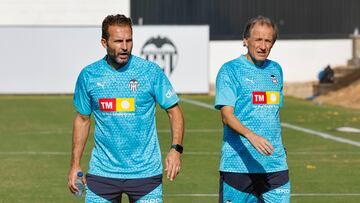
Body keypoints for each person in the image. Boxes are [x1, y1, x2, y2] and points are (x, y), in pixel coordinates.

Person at [67, 14, 185, 203]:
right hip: (102, 172)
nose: (125, 46)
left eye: (129, 40)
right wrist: (75, 166)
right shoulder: (89, 75)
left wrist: (175, 149)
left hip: (146, 173)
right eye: (118, 41)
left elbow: (174, 111)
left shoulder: (150, 72)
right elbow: (82, 119)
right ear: (104, 42)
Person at [214, 16, 290, 203]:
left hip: (274, 166)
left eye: (268, 41)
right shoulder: (230, 70)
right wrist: (251, 135)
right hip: (238, 166)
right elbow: (227, 116)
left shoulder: (276, 71)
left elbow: (272, 114)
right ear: (245, 40)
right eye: (258, 39)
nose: (263, 46)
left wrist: (280, 146)